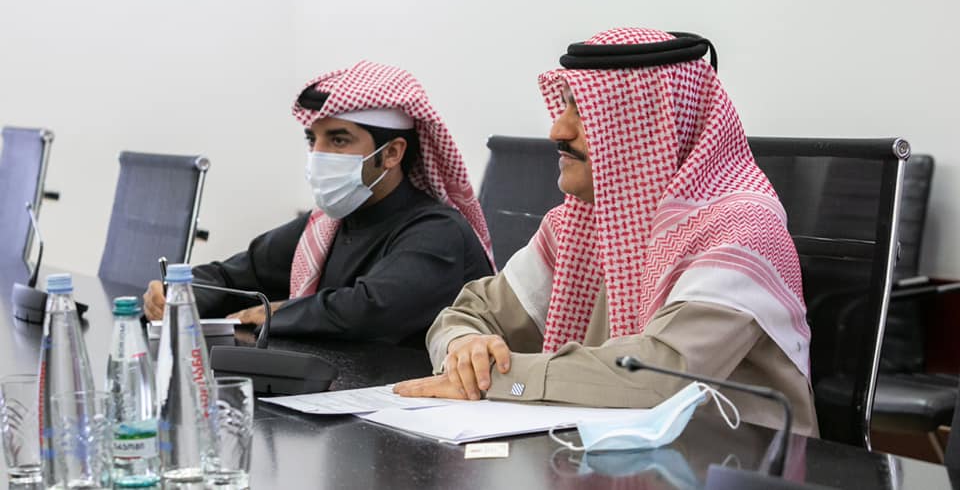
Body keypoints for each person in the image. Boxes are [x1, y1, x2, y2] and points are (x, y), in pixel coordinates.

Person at [395, 28, 818, 436]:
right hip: (609, 454)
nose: (558, 131)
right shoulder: (574, 225)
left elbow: (657, 377)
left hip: (736, 463)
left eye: (583, 112)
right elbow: (469, 314)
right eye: (564, 108)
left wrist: (496, 377)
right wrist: (463, 348)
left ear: (647, 124)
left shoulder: (742, 228)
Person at [143, 61, 494, 345]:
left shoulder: (437, 230)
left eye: (339, 141)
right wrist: (179, 295)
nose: (318, 155)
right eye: (313, 140)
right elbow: (234, 274)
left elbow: (369, 309)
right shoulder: (328, 225)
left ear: (391, 153)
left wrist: (277, 312)